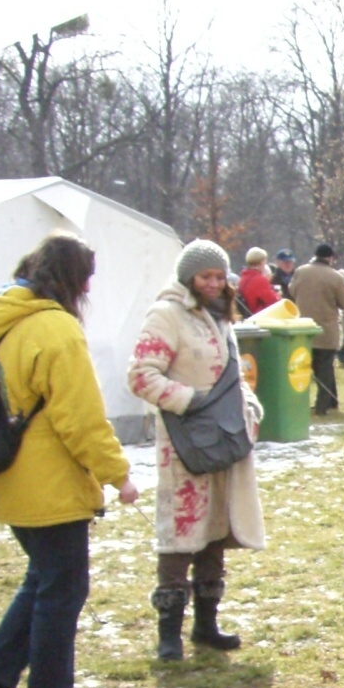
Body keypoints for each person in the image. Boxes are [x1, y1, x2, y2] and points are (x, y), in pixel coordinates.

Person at [0, 233, 138, 688]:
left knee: (44, 579)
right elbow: (80, 419)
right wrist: (117, 474)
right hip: (50, 482)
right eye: (87, 279)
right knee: (62, 591)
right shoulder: (56, 329)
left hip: (8, 474)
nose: (88, 290)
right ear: (72, 278)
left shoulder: (0, 321)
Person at [127, 240, 267, 662]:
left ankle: (206, 625)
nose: (213, 283)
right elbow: (141, 376)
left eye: (219, 276)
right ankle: (168, 632)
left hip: (225, 438)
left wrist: (249, 407)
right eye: (205, 276)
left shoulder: (220, 315)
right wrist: (190, 401)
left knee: (216, 529)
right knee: (180, 533)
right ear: (188, 277)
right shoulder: (166, 315)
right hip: (185, 443)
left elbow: (232, 377)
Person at [289, 243, 344, 414]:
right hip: (326, 328)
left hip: (303, 329)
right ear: (330, 258)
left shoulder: (300, 271)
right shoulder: (335, 276)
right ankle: (323, 405)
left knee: (304, 368)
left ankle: (325, 401)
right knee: (325, 368)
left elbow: (291, 291)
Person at [237, 247, 281, 317]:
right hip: (260, 317)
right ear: (262, 262)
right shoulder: (260, 280)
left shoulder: (243, 278)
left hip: (248, 315)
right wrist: (278, 294)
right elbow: (274, 302)